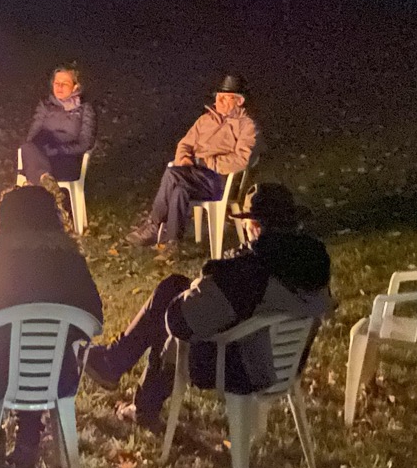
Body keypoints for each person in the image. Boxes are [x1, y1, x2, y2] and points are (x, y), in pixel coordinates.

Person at [88, 183, 332, 430]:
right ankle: (121, 373)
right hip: (287, 364)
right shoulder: (314, 262)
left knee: (170, 298)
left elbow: (180, 321)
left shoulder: (248, 270)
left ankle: (120, 371)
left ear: (255, 227)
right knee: (176, 288)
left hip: (239, 367)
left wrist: (204, 283)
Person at [0, 185, 103, 467]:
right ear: (53, 219)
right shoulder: (71, 263)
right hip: (56, 377)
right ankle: (29, 437)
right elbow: (94, 319)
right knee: (38, 356)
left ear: (4, 219)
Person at [129, 74, 258, 248]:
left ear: (240, 100)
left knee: (172, 174)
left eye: (225, 98)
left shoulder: (246, 126)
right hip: (193, 174)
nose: (219, 101)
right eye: (218, 97)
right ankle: (172, 241)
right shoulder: (205, 120)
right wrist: (182, 157)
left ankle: (154, 224)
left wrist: (207, 162)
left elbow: (242, 159)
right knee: (179, 190)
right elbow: (185, 143)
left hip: (218, 180)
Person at [20, 67, 97, 189]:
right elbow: (32, 136)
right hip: (42, 155)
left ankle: (41, 187)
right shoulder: (45, 105)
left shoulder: (85, 109)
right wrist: (42, 150)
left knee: (34, 169)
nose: (59, 87)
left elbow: (86, 143)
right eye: (57, 83)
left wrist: (59, 150)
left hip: (66, 159)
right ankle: (46, 182)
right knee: (27, 147)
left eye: (65, 83)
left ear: (75, 86)